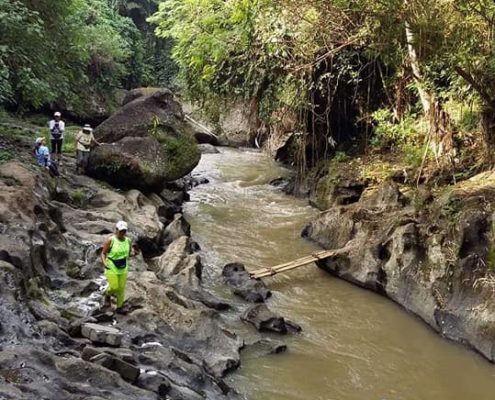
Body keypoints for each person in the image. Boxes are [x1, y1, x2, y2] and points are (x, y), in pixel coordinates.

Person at [100, 221, 140, 312]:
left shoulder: (128, 241)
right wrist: (104, 263)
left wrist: (135, 254)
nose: (122, 233)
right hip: (111, 265)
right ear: (116, 230)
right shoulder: (111, 240)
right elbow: (103, 253)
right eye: (120, 230)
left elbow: (128, 255)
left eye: (124, 231)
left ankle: (119, 307)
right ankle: (107, 295)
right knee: (114, 287)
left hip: (123, 266)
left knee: (121, 288)